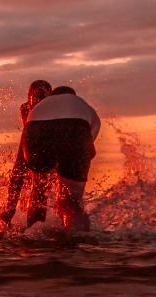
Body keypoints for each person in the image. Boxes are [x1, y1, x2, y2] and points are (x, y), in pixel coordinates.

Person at [23, 86, 100, 231]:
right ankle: (78, 240)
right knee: (71, 202)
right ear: (73, 95)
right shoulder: (85, 107)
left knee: (38, 192)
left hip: (34, 128)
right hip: (75, 128)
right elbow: (87, 151)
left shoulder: (39, 107)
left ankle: (32, 236)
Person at [0, 80, 52, 227]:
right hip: (31, 141)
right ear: (29, 96)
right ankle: (11, 209)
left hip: (47, 144)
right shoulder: (25, 108)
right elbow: (28, 134)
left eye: (43, 96)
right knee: (19, 173)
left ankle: (35, 224)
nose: (39, 100)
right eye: (36, 96)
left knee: (40, 185)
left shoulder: (52, 109)